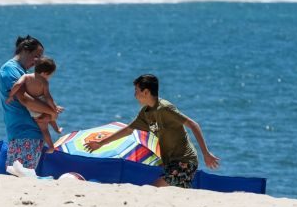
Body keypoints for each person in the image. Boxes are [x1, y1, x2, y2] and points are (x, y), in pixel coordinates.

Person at [85, 74, 220, 188]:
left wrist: (206, 153)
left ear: (146, 92)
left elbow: (193, 124)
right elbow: (127, 130)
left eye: (136, 91)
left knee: (155, 188)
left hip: (185, 162)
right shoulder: (145, 113)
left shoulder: (165, 108)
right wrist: (101, 143)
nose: (135, 95)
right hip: (170, 163)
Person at [0, 35, 61, 172]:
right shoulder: (10, 70)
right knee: (21, 174)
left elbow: (41, 98)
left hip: (28, 132)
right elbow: (25, 99)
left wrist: (51, 112)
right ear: (25, 50)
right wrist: (52, 112)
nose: (38, 60)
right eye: (36, 55)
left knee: (19, 174)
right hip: (24, 132)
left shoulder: (25, 73)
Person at [5, 57, 62, 153]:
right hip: (42, 103)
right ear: (45, 73)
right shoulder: (44, 82)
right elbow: (48, 97)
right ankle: (56, 131)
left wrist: (11, 96)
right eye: (50, 75)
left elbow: (17, 85)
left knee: (44, 129)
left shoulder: (26, 77)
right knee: (50, 116)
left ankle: (51, 145)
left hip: (34, 109)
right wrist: (54, 107)